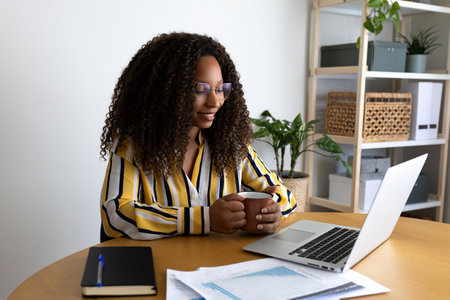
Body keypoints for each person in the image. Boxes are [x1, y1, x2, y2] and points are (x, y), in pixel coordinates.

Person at [99, 32, 296, 241]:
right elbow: (115, 214)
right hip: (159, 268)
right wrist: (204, 218)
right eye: (200, 89)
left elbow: (283, 194)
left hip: (220, 267)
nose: (215, 101)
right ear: (168, 91)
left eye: (220, 89)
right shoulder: (133, 146)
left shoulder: (230, 144)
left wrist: (273, 209)